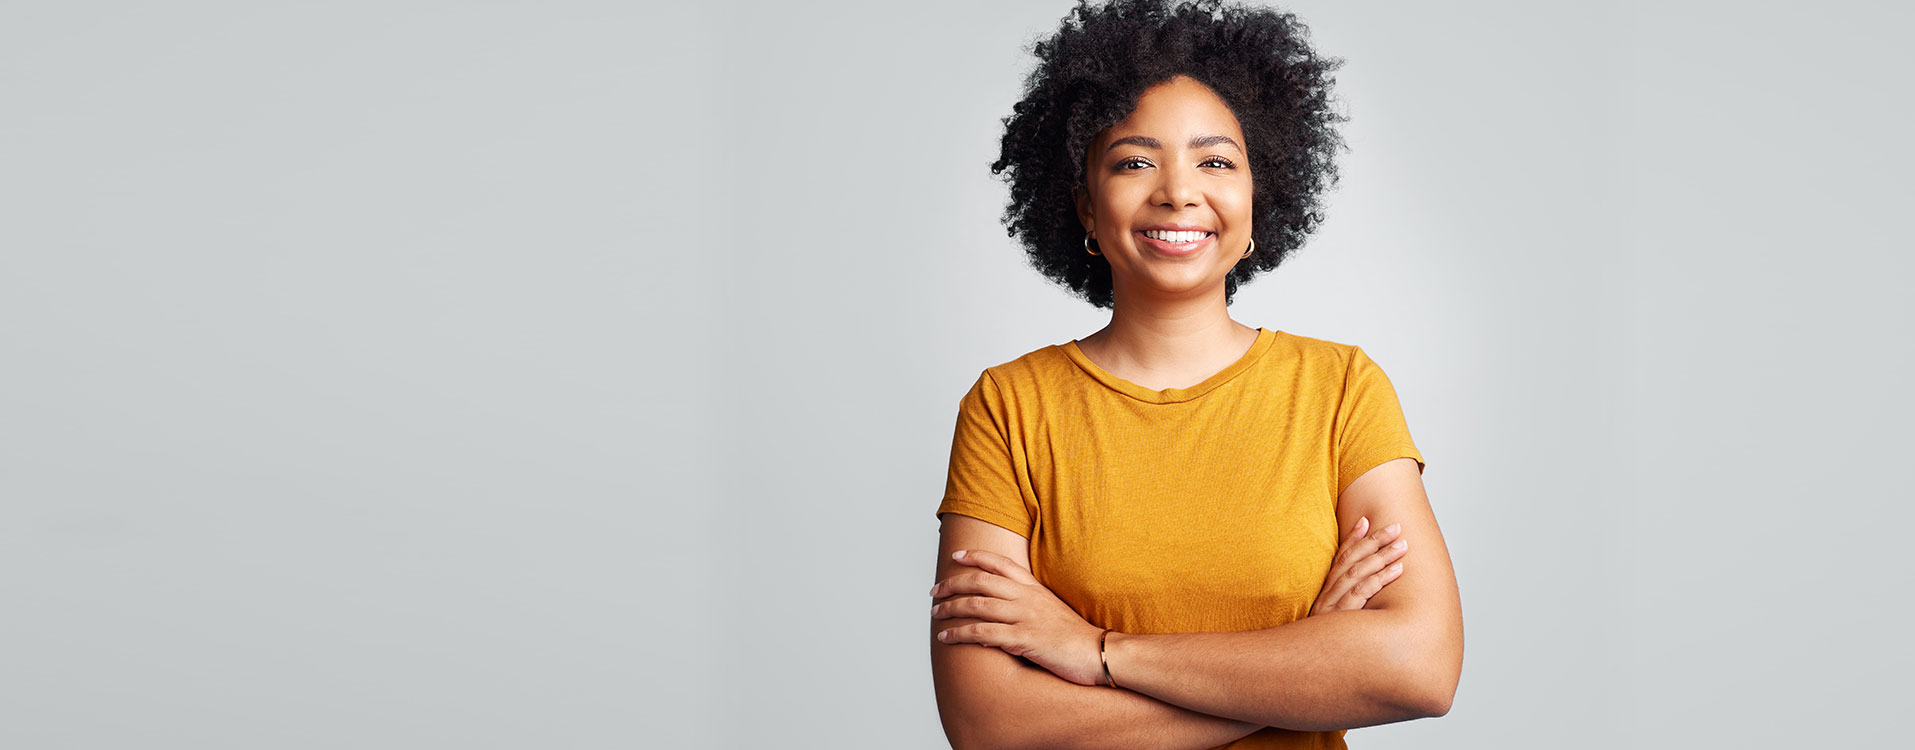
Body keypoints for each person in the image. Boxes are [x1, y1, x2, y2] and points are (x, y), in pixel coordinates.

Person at [927, 1, 1464, 748]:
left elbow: (1419, 669)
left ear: (1256, 198)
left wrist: (1098, 653)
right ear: (1085, 206)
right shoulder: (1008, 407)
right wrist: (1304, 665)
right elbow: (990, 723)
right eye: (1134, 161)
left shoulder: (1340, 388)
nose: (1178, 191)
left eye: (1214, 161)